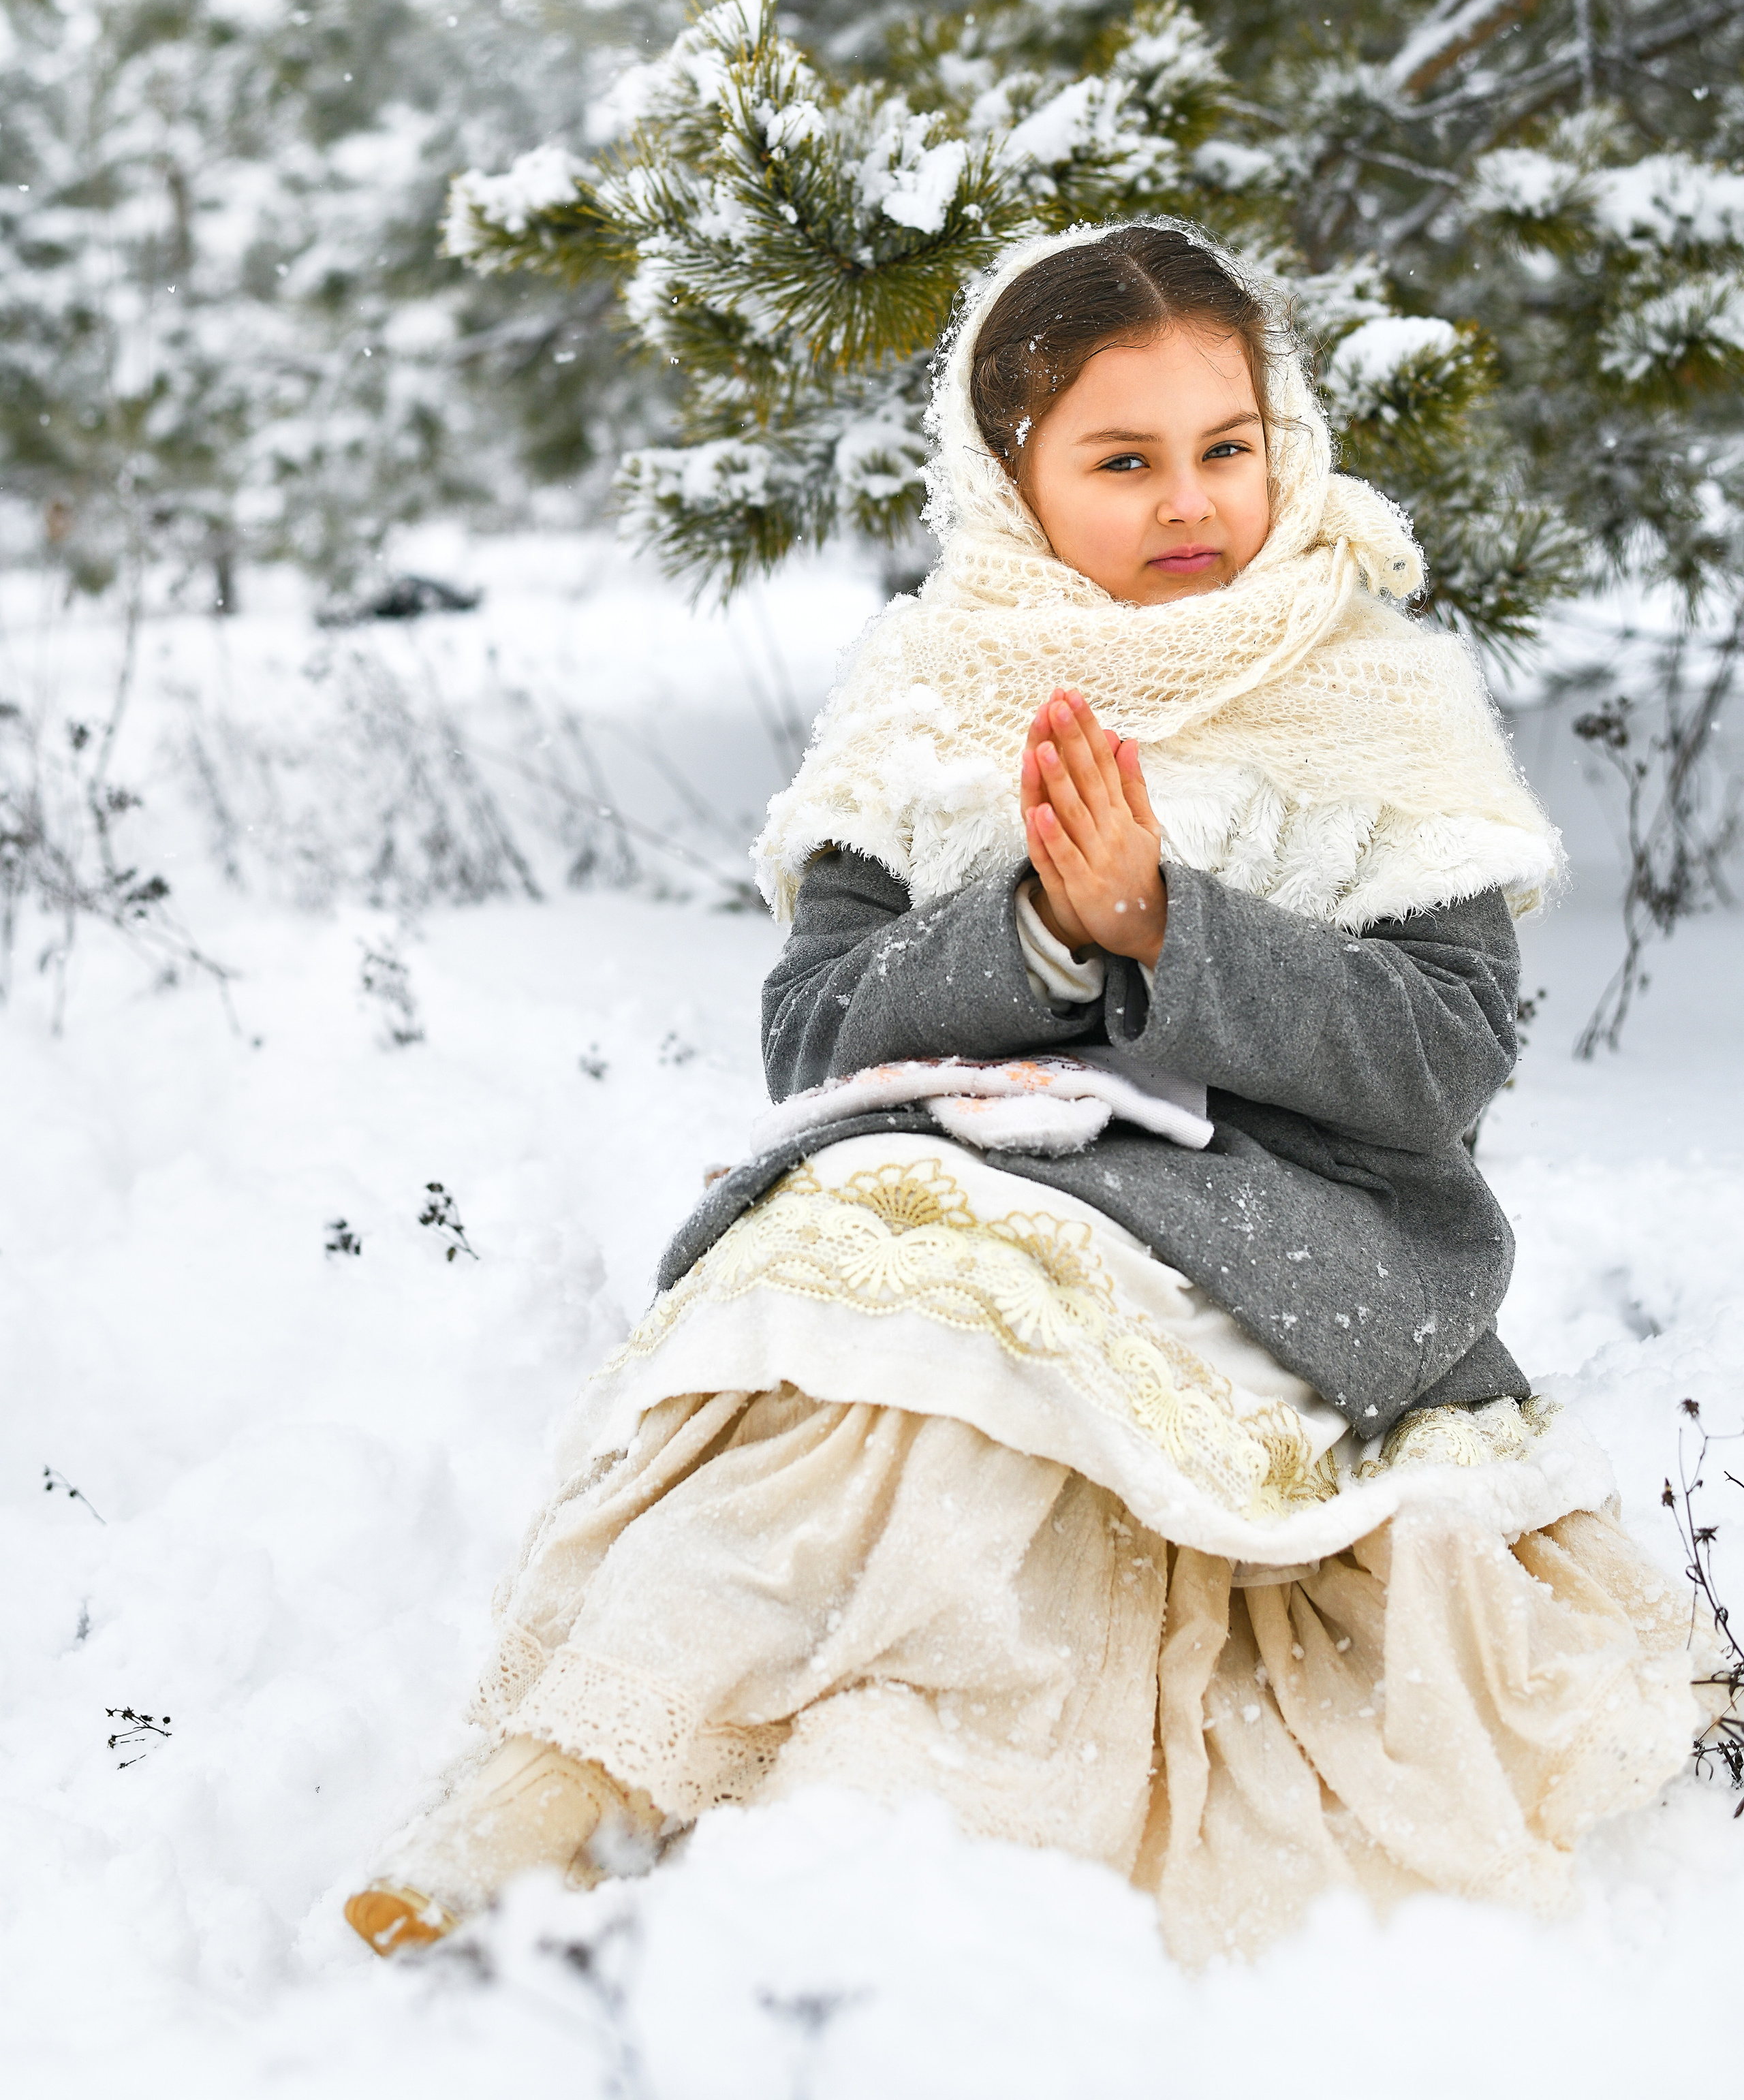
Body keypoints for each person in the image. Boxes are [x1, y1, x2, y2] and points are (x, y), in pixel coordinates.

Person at [345, 219, 1706, 1966]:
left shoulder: (1372, 696)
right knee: (834, 1370)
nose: (1188, 500)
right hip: (952, 1181)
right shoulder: (929, 696)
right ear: (1009, 479)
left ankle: (864, 1800)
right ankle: (579, 1766)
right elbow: (815, 1031)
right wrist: (1038, 937)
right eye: (1120, 461)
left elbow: (1442, 1057)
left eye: (1225, 447)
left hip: (1278, 1215)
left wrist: (1168, 932)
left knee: (964, 1383)